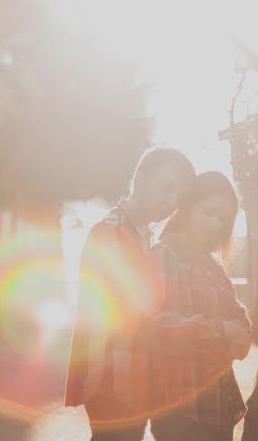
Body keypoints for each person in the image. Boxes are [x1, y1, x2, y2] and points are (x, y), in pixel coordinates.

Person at [65, 147, 196, 441]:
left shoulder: (145, 237)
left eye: (179, 197)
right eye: (167, 188)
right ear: (140, 179)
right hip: (111, 377)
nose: (171, 203)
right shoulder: (109, 234)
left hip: (135, 377)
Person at [145, 171, 252, 441]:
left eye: (223, 219)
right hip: (180, 410)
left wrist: (211, 329)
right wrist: (219, 328)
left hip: (219, 405)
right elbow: (160, 326)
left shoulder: (213, 266)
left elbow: (244, 334)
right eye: (209, 212)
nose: (216, 223)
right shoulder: (163, 255)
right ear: (189, 207)